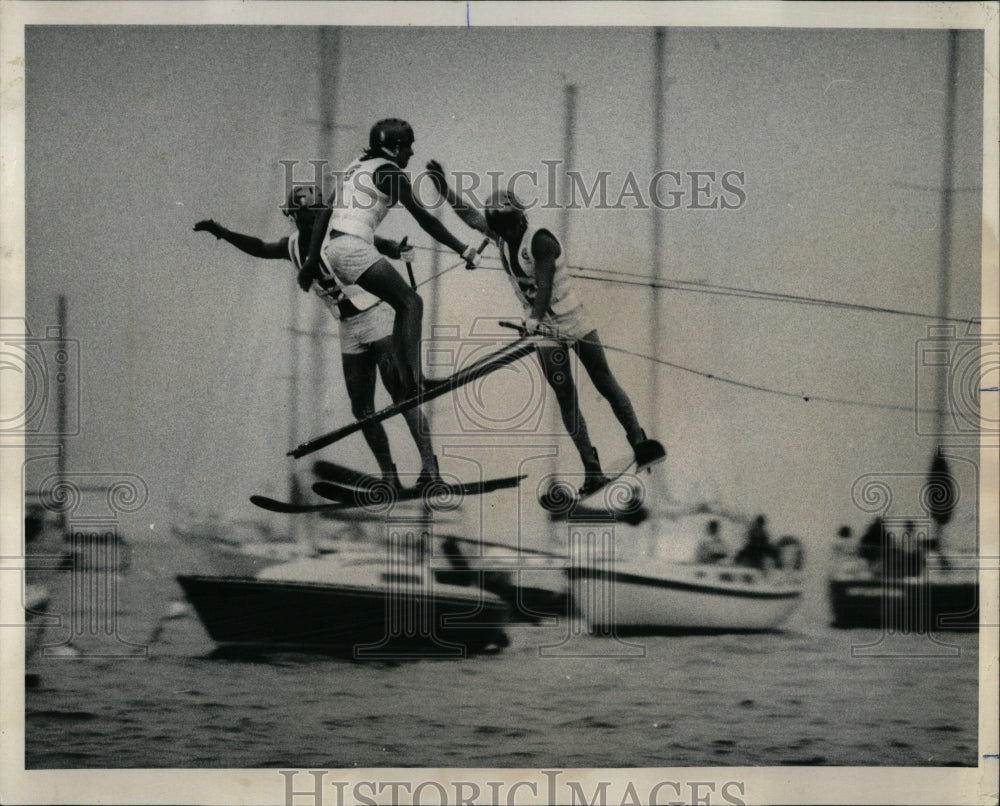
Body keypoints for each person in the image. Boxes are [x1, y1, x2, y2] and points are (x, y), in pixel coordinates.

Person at [193, 183, 439, 489]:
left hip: (376, 315)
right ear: (295, 216)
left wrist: (394, 249)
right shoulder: (293, 246)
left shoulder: (338, 234)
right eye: (304, 213)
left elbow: (373, 240)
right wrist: (221, 232)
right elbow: (259, 247)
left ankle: (430, 469)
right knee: (361, 409)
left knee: (401, 394)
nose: (311, 218)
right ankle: (390, 478)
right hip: (348, 327)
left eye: (315, 212)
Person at [424, 161, 649, 495]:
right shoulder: (500, 235)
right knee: (565, 395)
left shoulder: (540, 241)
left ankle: (639, 441)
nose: (506, 232)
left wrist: (532, 319)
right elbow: (470, 216)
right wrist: (444, 189)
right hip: (542, 331)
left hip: (574, 323)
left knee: (603, 382)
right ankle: (592, 469)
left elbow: (543, 288)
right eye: (500, 227)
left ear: (520, 218)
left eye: (510, 224)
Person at [298, 119, 482, 399]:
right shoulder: (391, 174)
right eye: (408, 147)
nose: (411, 154)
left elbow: (325, 213)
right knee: (412, 302)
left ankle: (404, 378)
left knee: (401, 305)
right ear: (394, 149)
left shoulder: (356, 165)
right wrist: (464, 249)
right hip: (352, 248)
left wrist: (312, 262)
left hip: (335, 249)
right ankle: (415, 381)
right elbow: (425, 221)